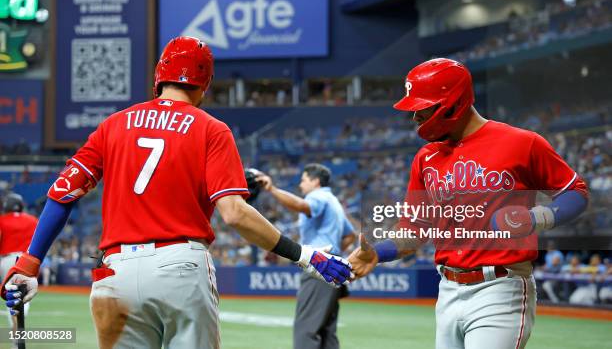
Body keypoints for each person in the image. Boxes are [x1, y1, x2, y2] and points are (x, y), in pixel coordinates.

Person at [0, 36, 352, 349]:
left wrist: (30, 264)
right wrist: (304, 255)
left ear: (159, 77)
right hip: (180, 268)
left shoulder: (112, 125)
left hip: (114, 272)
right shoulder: (211, 129)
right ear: (205, 84)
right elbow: (233, 212)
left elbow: (62, 193)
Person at [348, 58, 589, 349]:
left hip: (501, 287)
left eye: (421, 107)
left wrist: (538, 217)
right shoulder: (426, 158)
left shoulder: (521, 143)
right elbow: (417, 227)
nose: (415, 117)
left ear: (453, 102)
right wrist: (379, 252)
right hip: (447, 291)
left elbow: (574, 191)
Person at [256, 164, 356, 349]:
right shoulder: (333, 201)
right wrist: (334, 254)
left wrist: (272, 189)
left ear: (315, 181)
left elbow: (302, 206)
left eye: (303, 180)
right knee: (327, 332)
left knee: (306, 329)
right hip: (333, 267)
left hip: (319, 266)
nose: (301, 185)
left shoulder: (317, 196)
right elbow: (350, 235)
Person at [0, 193, 37, 337]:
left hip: (7, 259)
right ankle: (18, 333)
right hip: (27, 260)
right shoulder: (33, 220)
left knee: (11, 296)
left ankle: (16, 336)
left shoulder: (2, 220)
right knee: (23, 297)